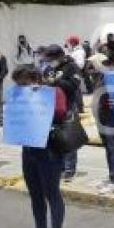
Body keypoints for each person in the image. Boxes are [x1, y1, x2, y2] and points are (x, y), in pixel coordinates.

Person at [11, 65, 70, 228]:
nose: (21, 88)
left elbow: (61, 113)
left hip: (49, 150)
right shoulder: (19, 94)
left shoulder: (53, 92)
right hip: (29, 149)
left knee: (52, 193)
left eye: (24, 84)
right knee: (35, 193)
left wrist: (39, 97)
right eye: (18, 85)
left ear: (35, 79)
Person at [40, 45, 82, 181]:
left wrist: (57, 81)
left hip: (68, 106)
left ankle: (70, 168)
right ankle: (60, 166)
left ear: (59, 56)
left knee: (68, 138)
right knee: (56, 138)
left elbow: (74, 86)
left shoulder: (71, 67)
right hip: (52, 107)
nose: (49, 62)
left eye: (51, 59)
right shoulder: (49, 68)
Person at [87, 53, 114, 195]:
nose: (91, 67)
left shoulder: (113, 77)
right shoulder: (101, 76)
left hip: (111, 118)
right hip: (102, 117)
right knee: (108, 148)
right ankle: (112, 177)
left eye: (93, 64)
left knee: (113, 149)